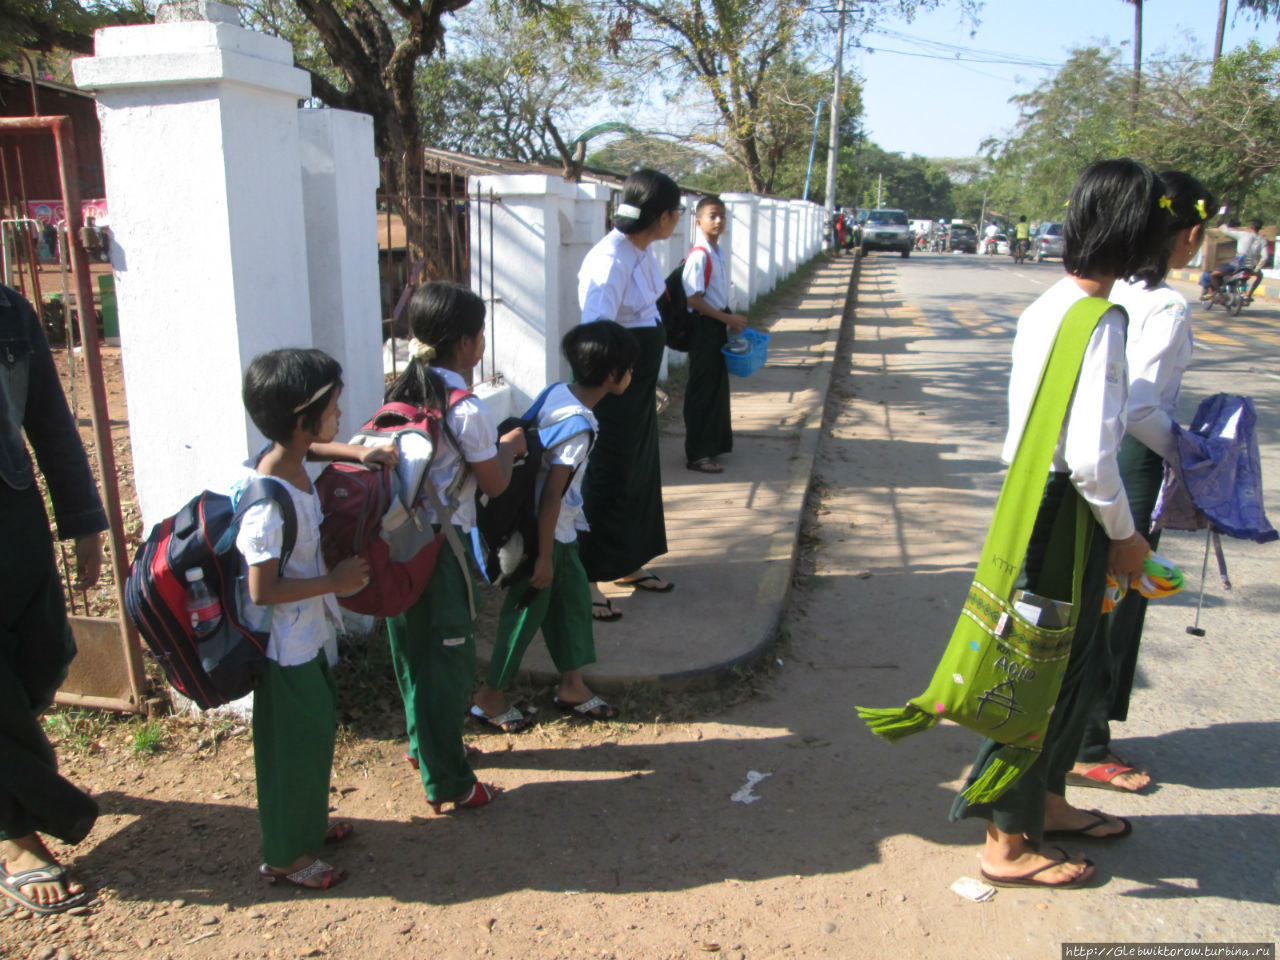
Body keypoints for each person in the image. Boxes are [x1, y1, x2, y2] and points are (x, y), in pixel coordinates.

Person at [949, 159, 1170, 889]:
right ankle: (1006, 845)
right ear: (1137, 232)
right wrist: (1125, 534)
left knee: (1069, 666)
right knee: (1035, 673)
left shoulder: (1047, 304)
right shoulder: (1097, 319)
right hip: (1068, 512)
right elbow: (1088, 455)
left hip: (1035, 504)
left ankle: (1046, 801)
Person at [1068, 172, 1217, 795]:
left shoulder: (1106, 287)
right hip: (1127, 459)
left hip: (1093, 448)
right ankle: (1089, 741)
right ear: (1186, 234)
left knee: (1091, 597)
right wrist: (1193, 456)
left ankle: (1075, 731)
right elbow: (1142, 407)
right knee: (1118, 603)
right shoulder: (1168, 304)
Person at [236, 348, 382, 891]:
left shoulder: (288, 458)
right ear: (302, 422)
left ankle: (307, 828)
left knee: (315, 735)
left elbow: (314, 449)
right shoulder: (267, 504)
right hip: (286, 649)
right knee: (292, 749)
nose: (340, 416)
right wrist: (336, 583)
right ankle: (284, 858)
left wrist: (357, 453)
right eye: (333, 408)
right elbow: (263, 588)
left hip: (308, 636)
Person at [383, 283, 528, 775]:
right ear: (468, 344)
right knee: (448, 658)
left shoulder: (399, 393)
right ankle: (446, 775)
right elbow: (496, 484)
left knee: (412, 651)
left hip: (397, 542)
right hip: (442, 550)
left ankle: (422, 741)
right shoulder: (466, 410)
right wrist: (510, 447)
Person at [472, 322, 639, 726]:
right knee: (525, 612)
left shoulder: (555, 392)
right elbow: (552, 496)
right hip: (545, 534)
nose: (632, 374)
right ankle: (490, 697)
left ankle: (572, 685)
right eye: (629, 368)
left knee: (575, 604)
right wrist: (544, 556)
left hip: (556, 530)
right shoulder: (580, 427)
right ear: (613, 377)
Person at [0, 284, 104, 915]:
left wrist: (84, 520)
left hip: (13, 512)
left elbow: (49, 421)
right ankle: (16, 834)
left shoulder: (10, 311)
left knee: (43, 661)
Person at [577, 169, 683, 621]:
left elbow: (644, 316)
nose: (677, 220)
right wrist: (611, 387)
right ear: (661, 217)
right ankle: (586, 578)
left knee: (637, 475)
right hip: (612, 392)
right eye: (676, 213)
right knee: (606, 477)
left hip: (635, 390)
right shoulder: (610, 260)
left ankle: (626, 563)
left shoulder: (641, 253)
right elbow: (595, 336)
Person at [682, 195, 749, 474]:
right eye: (712, 216)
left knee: (716, 389)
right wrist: (725, 318)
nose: (718, 220)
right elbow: (693, 300)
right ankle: (698, 454)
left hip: (717, 325)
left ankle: (713, 445)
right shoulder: (699, 255)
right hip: (703, 329)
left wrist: (730, 320)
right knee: (702, 391)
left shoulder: (717, 252)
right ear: (698, 221)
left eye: (722, 215)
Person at [1201, 218, 1265, 302]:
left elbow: (1225, 231)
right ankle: (1249, 295)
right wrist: (1256, 269)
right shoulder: (1262, 240)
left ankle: (1219, 296)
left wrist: (1222, 226)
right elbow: (1265, 257)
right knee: (1259, 276)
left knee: (1212, 275)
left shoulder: (1243, 234)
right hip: (1250, 267)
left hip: (1236, 265)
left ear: (1251, 226)